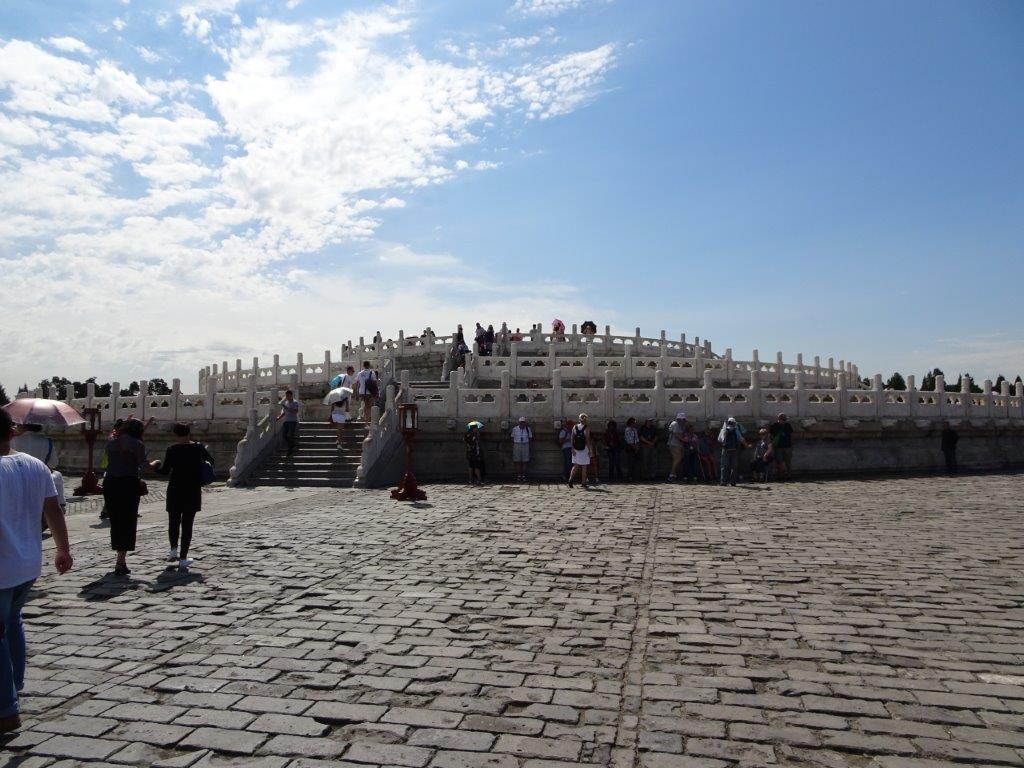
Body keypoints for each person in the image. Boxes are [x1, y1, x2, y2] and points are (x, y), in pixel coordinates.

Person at [0, 410, 73, 734]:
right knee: (12, 621)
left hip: (2, 566)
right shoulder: (34, 465)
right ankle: (14, 685)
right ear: (12, 433)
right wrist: (63, 549)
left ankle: (6, 709)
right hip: (28, 564)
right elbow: (53, 510)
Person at [151, 423, 214, 571]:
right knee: (187, 524)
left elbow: (165, 471)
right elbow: (211, 462)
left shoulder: (172, 449)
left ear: (175, 434)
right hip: (192, 489)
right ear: (189, 433)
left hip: (175, 489)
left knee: (173, 521)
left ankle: (173, 550)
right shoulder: (198, 447)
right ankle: (184, 558)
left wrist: (155, 468)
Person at [102, 417, 148, 576]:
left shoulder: (111, 442)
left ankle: (119, 556)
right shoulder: (138, 444)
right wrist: (155, 463)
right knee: (128, 521)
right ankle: (121, 560)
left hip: (110, 483)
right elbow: (143, 465)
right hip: (128, 483)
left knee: (116, 521)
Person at [11, 423, 64, 510]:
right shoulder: (47, 441)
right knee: (57, 476)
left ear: (24, 426)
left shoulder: (13, 440)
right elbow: (54, 463)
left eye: (18, 424)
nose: (16, 426)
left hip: (16, 482)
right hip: (40, 482)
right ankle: (61, 505)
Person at [718, 417, 749, 486]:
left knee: (724, 466)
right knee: (734, 466)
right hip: (734, 450)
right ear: (734, 423)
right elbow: (741, 439)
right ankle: (733, 482)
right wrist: (746, 445)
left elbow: (719, 440)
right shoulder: (736, 430)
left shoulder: (723, 430)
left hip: (725, 450)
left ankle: (723, 481)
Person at [567, 413, 593, 489]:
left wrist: (572, 448)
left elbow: (572, 438)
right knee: (584, 466)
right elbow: (587, 440)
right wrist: (590, 450)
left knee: (575, 465)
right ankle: (583, 482)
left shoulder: (575, 427)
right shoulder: (587, 428)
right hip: (584, 448)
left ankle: (570, 479)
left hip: (576, 448)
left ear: (579, 419)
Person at [769, 413, 794, 481]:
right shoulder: (774, 425)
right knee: (779, 461)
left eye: (785, 419)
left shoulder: (788, 425)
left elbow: (791, 435)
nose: (784, 420)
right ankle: (781, 475)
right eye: (783, 419)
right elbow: (771, 436)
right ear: (779, 419)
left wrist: (792, 445)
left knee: (787, 461)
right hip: (778, 446)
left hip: (787, 446)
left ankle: (788, 475)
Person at [276, 390, 301, 456]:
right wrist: (278, 418)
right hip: (286, 421)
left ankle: (290, 450)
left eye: (288, 396)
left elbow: (295, 411)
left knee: (290, 435)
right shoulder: (286, 402)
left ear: (291, 395)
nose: (286, 397)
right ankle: (292, 444)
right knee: (284, 436)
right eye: (286, 396)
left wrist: (286, 407)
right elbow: (284, 413)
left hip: (292, 421)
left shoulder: (295, 402)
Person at [667, 412, 688, 481]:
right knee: (677, 459)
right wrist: (684, 440)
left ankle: (674, 474)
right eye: (683, 419)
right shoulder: (675, 424)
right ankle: (671, 474)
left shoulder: (680, 425)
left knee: (678, 459)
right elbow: (676, 434)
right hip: (674, 444)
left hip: (679, 444)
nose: (684, 421)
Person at [510, 417, 532, 482]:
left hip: (525, 444)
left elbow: (530, 437)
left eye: (523, 422)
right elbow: (512, 437)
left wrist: (527, 444)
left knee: (525, 461)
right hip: (517, 444)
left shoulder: (528, 429)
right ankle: (519, 475)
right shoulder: (515, 429)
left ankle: (524, 475)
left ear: (525, 423)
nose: (522, 423)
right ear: (519, 422)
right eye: (521, 422)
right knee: (517, 461)